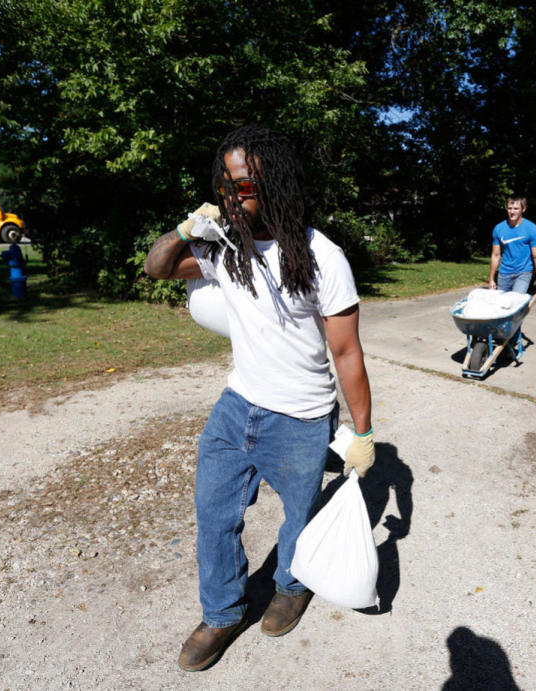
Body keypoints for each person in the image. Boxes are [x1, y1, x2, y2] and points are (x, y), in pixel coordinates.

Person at [143, 125, 374, 672]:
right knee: (213, 513)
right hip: (236, 407)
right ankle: (222, 612)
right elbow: (156, 268)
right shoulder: (224, 246)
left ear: (277, 183)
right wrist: (184, 228)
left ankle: (291, 585)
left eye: (242, 185)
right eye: (225, 184)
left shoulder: (323, 257)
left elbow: (347, 354)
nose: (231, 195)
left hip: (301, 416)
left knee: (299, 514)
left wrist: (362, 433)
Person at [488, 196, 536, 296]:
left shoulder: (532, 229)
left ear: (523, 209)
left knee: (515, 300)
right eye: (510, 208)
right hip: (504, 273)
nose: (512, 212)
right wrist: (491, 279)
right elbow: (496, 255)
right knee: (502, 306)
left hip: (523, 273)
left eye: (516, 209)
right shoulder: (499, 228)